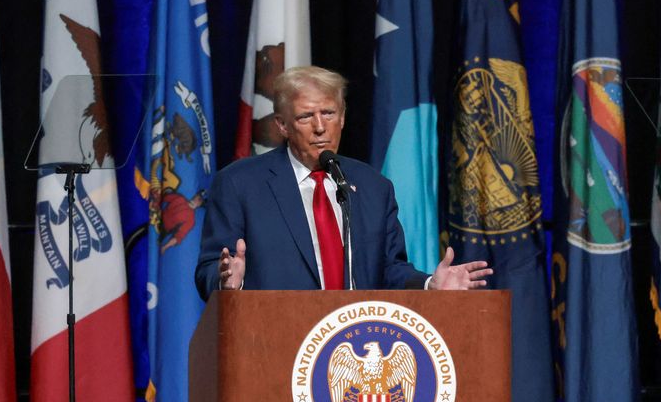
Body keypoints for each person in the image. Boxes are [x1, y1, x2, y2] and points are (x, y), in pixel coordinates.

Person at [195, 66, 492, 300]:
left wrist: (429, 283)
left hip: (352, 347)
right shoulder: (240, 183)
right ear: (282, 125)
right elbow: (210, 270)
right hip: (275, 346)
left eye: (328, 113)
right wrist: (228, 281)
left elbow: (389, 269)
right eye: (305, 116)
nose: (320, 127)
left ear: (343, 117)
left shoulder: (374, 187)